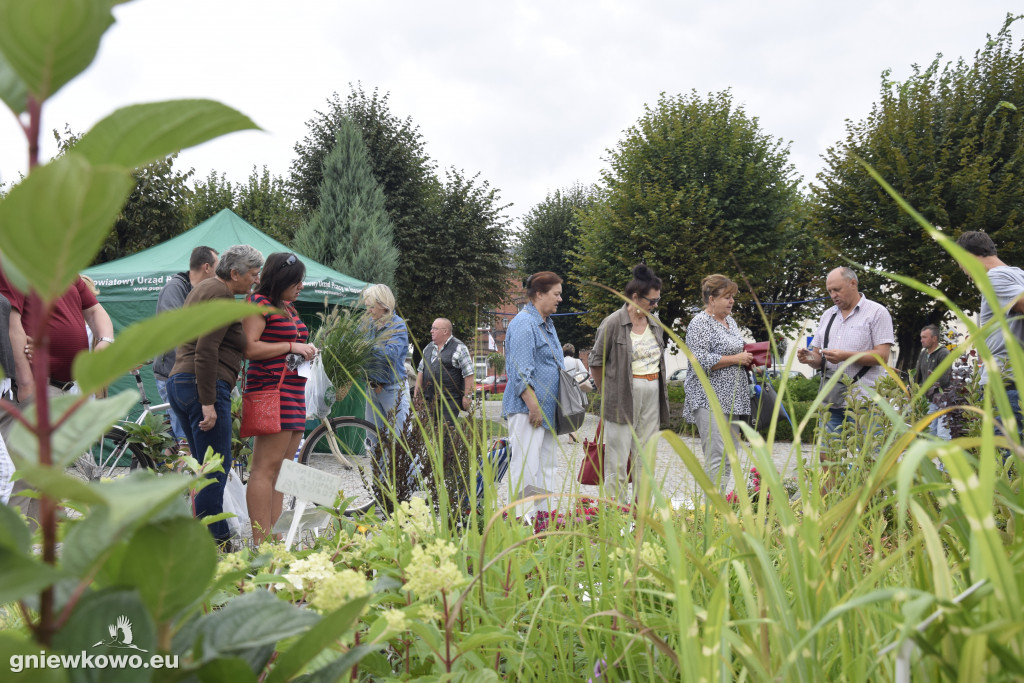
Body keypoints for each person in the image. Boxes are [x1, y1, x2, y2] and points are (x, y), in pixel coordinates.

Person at [166, 245, 263, 547]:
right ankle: (214, 543)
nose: (255, 281)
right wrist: (208, 402)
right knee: (214, 468)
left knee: (201, 467)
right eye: (252, 275)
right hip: (203, 385)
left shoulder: (202, 287)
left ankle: (201, 538)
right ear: (234, 273)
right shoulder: (220, 293)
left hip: (180, 381)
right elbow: (207, 349)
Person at [0, 270, 115, 523]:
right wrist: (27, 383)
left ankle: (27, 552)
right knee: (25, 478)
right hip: (40, 386)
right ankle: (13, 554)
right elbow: (12, 322)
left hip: (63, 389)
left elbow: (95, 311)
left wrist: (105, 340)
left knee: (41, 479)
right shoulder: (20, 266)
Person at [242, 253, 318, 545]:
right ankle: (261, 542)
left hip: (293, 391)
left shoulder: (287, 308)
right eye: (296, 280)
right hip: (270, 390)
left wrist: (303, 348)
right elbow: (249, 348)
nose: (301, 286)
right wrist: (292, 345)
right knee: (264, 468)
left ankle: (275, 540)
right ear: (281, 279)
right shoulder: (257, 304)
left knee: (283, 470)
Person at [589, 265, 670, 503]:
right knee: (617, 456)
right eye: (651, 301)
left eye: (657, 301)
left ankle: (643, 510)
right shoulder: (613, 323)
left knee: (646, 456)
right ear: (634, 297)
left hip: (651, 392)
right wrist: (608, 393)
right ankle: (617, 512)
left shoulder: (655, 324)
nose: (655, 306)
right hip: (623, 395)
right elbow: (595, 362)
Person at [796, 267, 895, 434]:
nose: (833, 295)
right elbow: (818, 359)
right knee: (827, 456)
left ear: (853, 283)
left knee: (869, 456)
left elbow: (882, 356)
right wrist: (808, 358)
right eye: (829, 291)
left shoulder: (877, 312)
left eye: (837, 289)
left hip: (865, 401)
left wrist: (845, 357)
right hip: (831, 399)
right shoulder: (827, 316)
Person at [502, 271, 564, 518]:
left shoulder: (546, 323)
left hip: (547, 410)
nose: (560, 299)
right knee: (526, 466)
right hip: (528, 410)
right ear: (539, 294)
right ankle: (522, 519)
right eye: (556, 294)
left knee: (547, 466)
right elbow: (519, 373)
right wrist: (533, 406)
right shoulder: (524, 323)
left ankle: (544, 519)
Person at [682, 274, 751, 492]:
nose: (731, 301)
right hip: (709, 398)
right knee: (716, 456)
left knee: (729, 456)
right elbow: (698, 359)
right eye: (726, 297)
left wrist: (751, 358)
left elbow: (738, 350)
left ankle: (720, 508)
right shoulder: (699, 323)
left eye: (733, 297)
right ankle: (711, 512)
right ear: (712, 299)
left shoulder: (730, 322)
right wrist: (736, 359)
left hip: (733, 398)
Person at [955, 230, 1024, 440]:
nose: (965, 272)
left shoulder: (994, 278)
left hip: (1005, 386)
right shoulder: (1018, 274)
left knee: (1006, 461)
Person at [153, 246, 218, 451]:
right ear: (207, 267)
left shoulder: (201, 291)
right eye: (217, 266)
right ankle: (184, 480)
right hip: (175, 373)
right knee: (187, 442)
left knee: (190, 437)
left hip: (190, 374)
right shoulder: (175, 288)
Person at [362, 284, 410, 447]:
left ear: (383, 305)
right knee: (374, 440)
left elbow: (391, 354)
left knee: (400, 441)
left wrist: (366, 346)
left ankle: (408, 473)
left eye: (371, 307)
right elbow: (352, 340)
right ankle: (379, 473)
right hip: (371, 389)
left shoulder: (398, 325)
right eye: (367, 306)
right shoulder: (367, 323)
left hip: (393, 390)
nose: (368, 310)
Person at [414, 318, 474, 423]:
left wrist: (467, 396)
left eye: (434, 328)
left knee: (446, 433)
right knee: (434, 432)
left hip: (450, 400)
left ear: (445, 331)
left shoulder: (459, 348)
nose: (431, 331)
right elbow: (421, 372)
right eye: (431, 328)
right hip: (430, 399)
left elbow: (468, 374)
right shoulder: (428, 348)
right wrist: (417, 396)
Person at [916, 324, 951, 440]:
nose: (921, 340)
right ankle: (931, 458)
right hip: (929, 400)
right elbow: (918, 376)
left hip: (943, 400)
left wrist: (925, 387)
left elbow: (944, 378)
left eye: (925, 337)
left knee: (943, 434)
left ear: (934, 338)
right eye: (921, 337)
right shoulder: (923, 353)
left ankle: (946, 458)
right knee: (929, 433)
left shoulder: (944, 353)